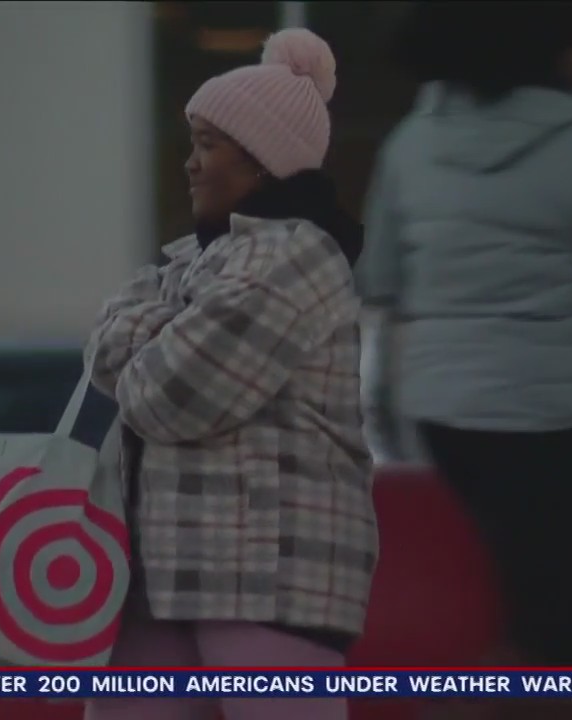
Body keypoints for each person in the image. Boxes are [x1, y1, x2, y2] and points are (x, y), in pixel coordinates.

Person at [357, 3, 572, 717]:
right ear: (557, 52)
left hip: (442, 423)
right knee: (563, 634)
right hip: (559, 425)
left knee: (470, 616)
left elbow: (380, 277)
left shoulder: (411, 146)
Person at [82, 29, 375, 720]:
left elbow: (165, 397)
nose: (190, 163)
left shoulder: (294, 257)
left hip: (265, 580)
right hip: (167, 575)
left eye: (208, 145)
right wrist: (157, 329)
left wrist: (148, 330)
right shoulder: (198, 258)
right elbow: (102, 345)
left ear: (264, 162)